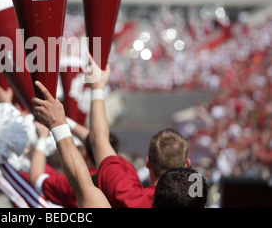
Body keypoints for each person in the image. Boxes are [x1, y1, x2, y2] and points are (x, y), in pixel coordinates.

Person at [85, 52, 191, 208]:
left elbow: (98, 140)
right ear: (187, 164)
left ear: (148, 162)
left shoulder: (128, 195)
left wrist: (97, 87)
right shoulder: (196, 201)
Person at [32, 80, 111, 208]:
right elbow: (100, 141)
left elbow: (36, 178)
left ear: (87, 154)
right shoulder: (125, 176)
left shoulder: (69, 184)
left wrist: (47, 133)